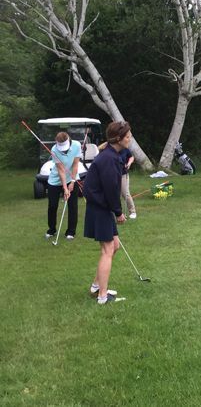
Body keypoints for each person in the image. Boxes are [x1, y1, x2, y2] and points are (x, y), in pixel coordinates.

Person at [83, 121, 131, 304]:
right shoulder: (109, 159)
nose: (130, 139)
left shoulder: (111, 155)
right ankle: (102, 296)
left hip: (101, 207)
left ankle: (97, 286)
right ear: (118, 138)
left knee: (114, 246)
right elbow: (111, 190)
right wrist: (118, 212)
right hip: (100, 208)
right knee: (107, 250)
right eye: (128, 136)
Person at [45, 132, 81, 240]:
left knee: (72, 206)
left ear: (69, 140)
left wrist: (73, 182)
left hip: (72, 177)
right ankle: (52, 230)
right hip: (55, 180)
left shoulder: (76, 145)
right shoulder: (54, 150)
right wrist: (65, 188)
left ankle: (71, 232)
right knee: (52, 206)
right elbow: (61, 170)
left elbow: (75, 165)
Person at [119, 146, 136, 219]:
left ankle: (132, 211)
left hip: (123, 174)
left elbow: (131, 157)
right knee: (115, 194)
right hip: (113, 174)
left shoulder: (125, 149)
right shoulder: (111, 150)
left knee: (125, 193)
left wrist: (129, 163)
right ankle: (118, 213)